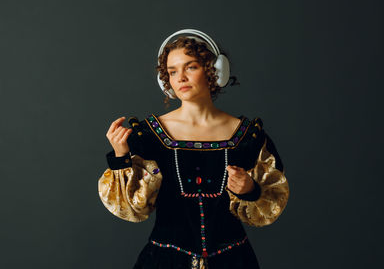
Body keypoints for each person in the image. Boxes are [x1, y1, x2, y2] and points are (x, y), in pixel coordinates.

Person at [98, 29, 289, 269]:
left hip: (233, 261)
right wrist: (120, 156)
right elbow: (131, 209)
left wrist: (250, 189)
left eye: (191, 67)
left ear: (214, 70)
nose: (180, 78)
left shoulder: (248, 136)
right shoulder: (147, 135)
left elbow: (271, 200)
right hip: (164, 262)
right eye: (172, 71)